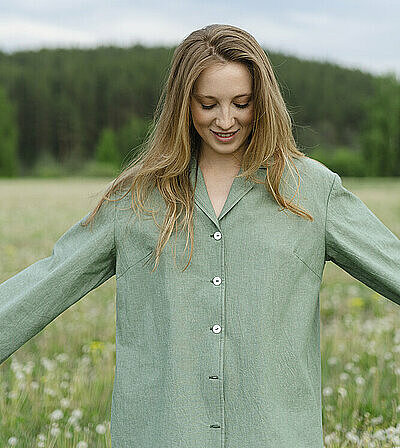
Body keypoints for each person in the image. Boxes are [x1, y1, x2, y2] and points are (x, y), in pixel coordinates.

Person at [1, 22, 399, 448]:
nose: (226, 120)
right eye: (208, 104)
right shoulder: (136, 199)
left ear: (261, 101)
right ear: (183, 105)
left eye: (241, 103)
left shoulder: (312, 191)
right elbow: (47, 283)